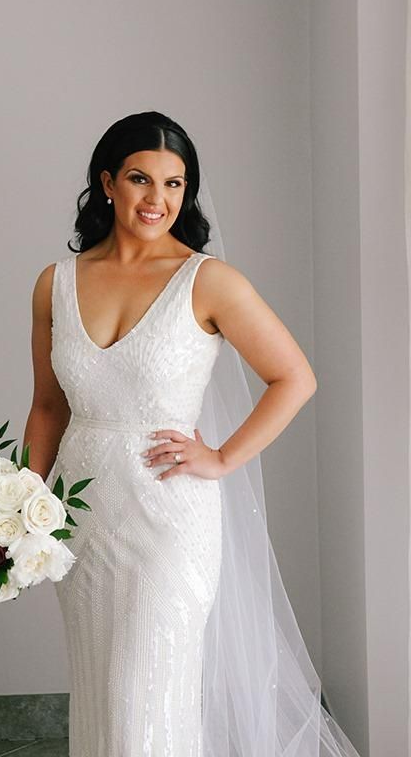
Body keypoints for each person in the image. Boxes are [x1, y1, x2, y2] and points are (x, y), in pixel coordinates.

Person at [24, 111, 364, 756]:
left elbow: (294, 377)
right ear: (106, 183)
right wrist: (21, 511)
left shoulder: (208, 281)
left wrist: (222, 456)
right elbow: (47, 407)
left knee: (144, 697)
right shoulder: (55, 283)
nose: (158, 199)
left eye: (175, 184)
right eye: (140, 179)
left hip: (169, 520)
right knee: (100, 695)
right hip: (82, 520)